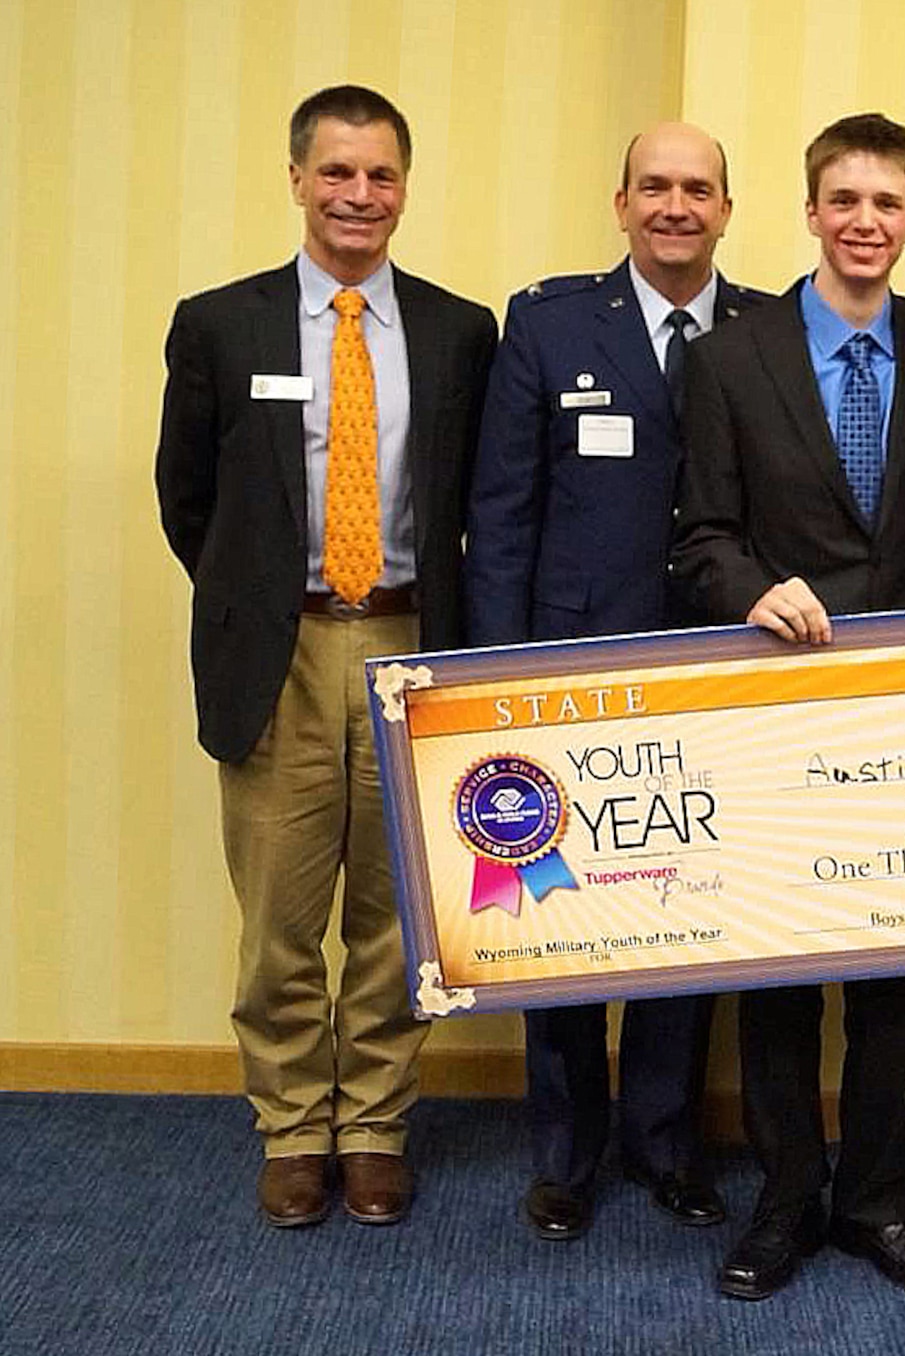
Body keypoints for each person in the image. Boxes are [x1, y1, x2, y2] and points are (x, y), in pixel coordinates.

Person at [154, 84, 496, 1229]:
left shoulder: (459, 333)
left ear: (405, 184)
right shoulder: (221, 324)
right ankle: (295, 1125)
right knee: (281, 918)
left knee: (398, 914)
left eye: (382, 174)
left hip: (409, 648)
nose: (360, 195)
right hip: (280, 653)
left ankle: (375, 1127)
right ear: (297, 178)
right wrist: (259, 601)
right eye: (338, 172)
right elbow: (187, 498)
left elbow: (476, 501)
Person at [674, 112, 905, 1303]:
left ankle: (879, 1199)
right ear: (807, 212)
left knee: (899, 971)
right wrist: (754, 589)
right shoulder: (727, 358)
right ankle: (787, 1195)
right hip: (778, 703)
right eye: (842, 200)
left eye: (887, 203)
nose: (864, 222)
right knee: (782, 970)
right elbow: (696, 535)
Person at [461, 122, 763, 1244]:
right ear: (620, 201)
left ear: (727, 209)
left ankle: (667, 1141)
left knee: (685, 915)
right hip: (566, 671)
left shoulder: (764, 329)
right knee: (560, 919)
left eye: (698, 189)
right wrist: (494, 676)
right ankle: (566, 1152)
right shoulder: (546, 323)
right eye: (655, 187)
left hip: (710, 668)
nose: (675, 206)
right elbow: (500, 515)